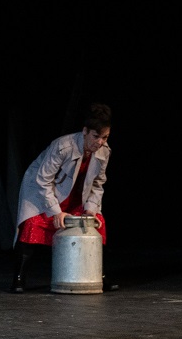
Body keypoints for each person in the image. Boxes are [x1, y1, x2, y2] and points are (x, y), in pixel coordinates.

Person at [10, 103, 112, 293]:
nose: (100, 142)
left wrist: (91, 207)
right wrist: (55, 211)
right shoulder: (63, 146)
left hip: (75, 195)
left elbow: (98, 183)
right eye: (96, 136)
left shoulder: (104, 151)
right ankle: (19, 278)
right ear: (85, 131)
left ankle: (100, 275)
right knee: (32, 224)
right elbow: (43, 179)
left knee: (97, 222)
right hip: (41, 191)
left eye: (105, 137)